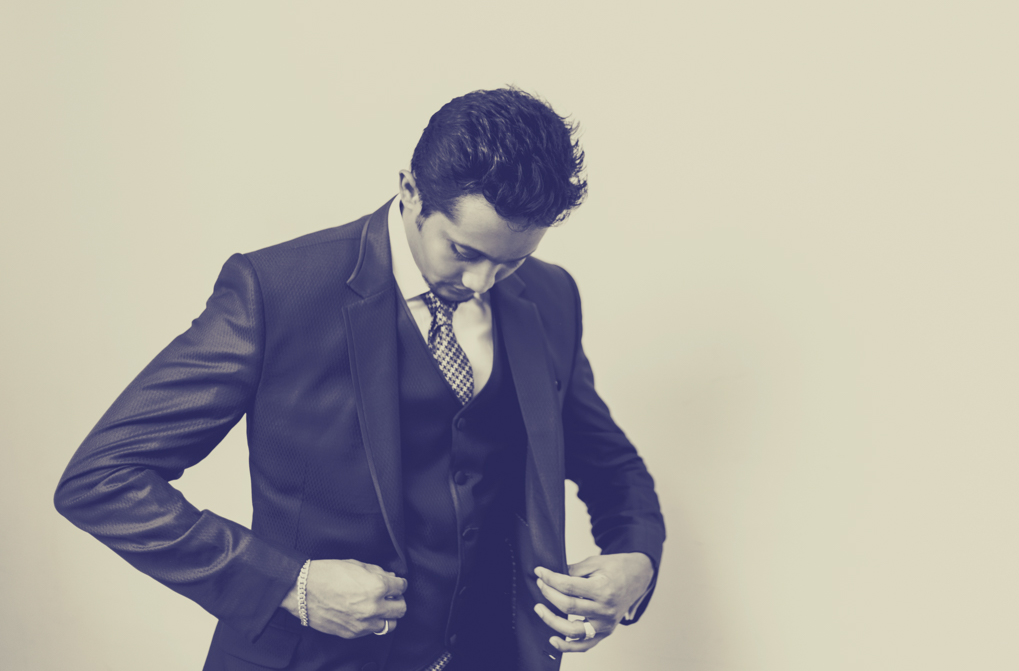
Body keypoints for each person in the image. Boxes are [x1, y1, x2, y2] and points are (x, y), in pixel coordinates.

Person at [54, 87, 665, 671]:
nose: (482, 282)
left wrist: (635, 563)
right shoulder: (279, 291)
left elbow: (611, 466)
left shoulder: (551, 297)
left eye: (511, 261)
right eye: (463, 251)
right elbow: (103, 478)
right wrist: (290, 585)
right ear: (410, 191)